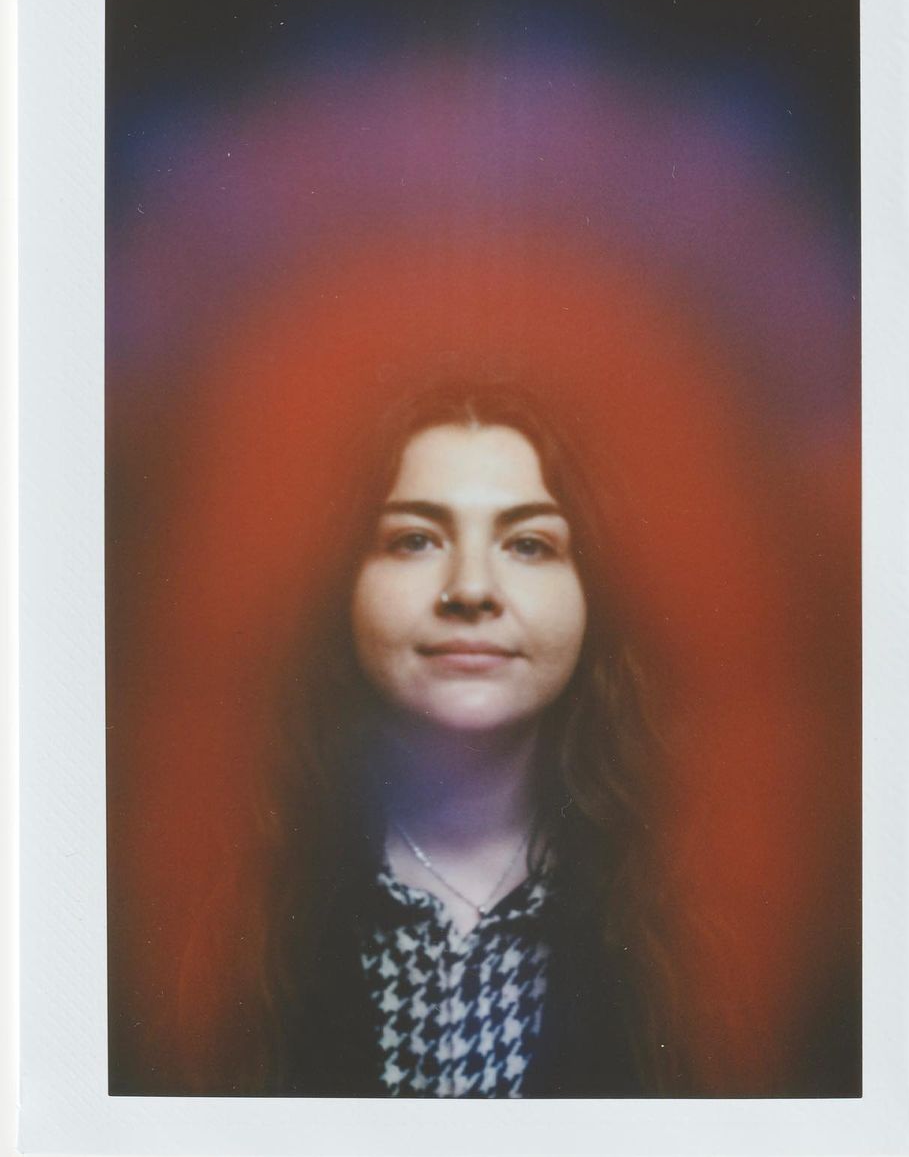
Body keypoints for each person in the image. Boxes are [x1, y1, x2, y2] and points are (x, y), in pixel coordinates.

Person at [233, 383, 680, 1098]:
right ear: (342, 584)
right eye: (415, 539)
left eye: (528, 544)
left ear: (593, 593)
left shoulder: (684, 925)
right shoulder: (233, 921)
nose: (471, 589)